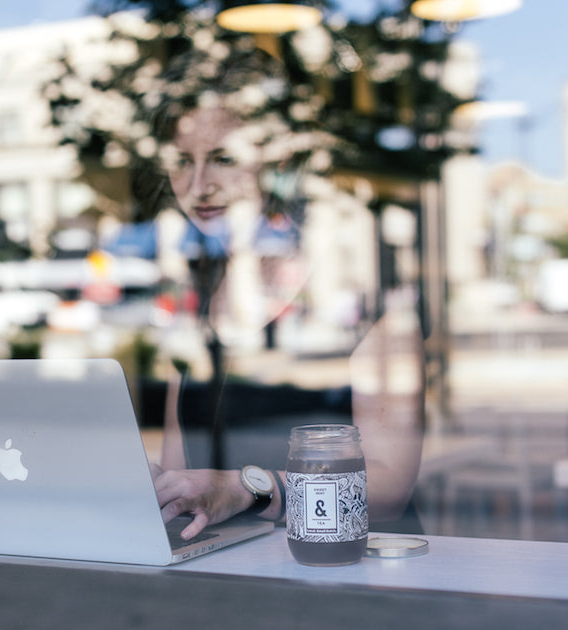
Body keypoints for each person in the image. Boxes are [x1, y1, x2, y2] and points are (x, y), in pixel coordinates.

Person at [139, 47, 425, 541]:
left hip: (352, 575)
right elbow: (180, 473)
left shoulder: (361, 298)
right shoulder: (201, 309)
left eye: (224, 159)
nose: (199, 184)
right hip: (231, 577)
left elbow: (390, 487)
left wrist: (252, 488)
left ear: (280, 163)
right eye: (184, 161)